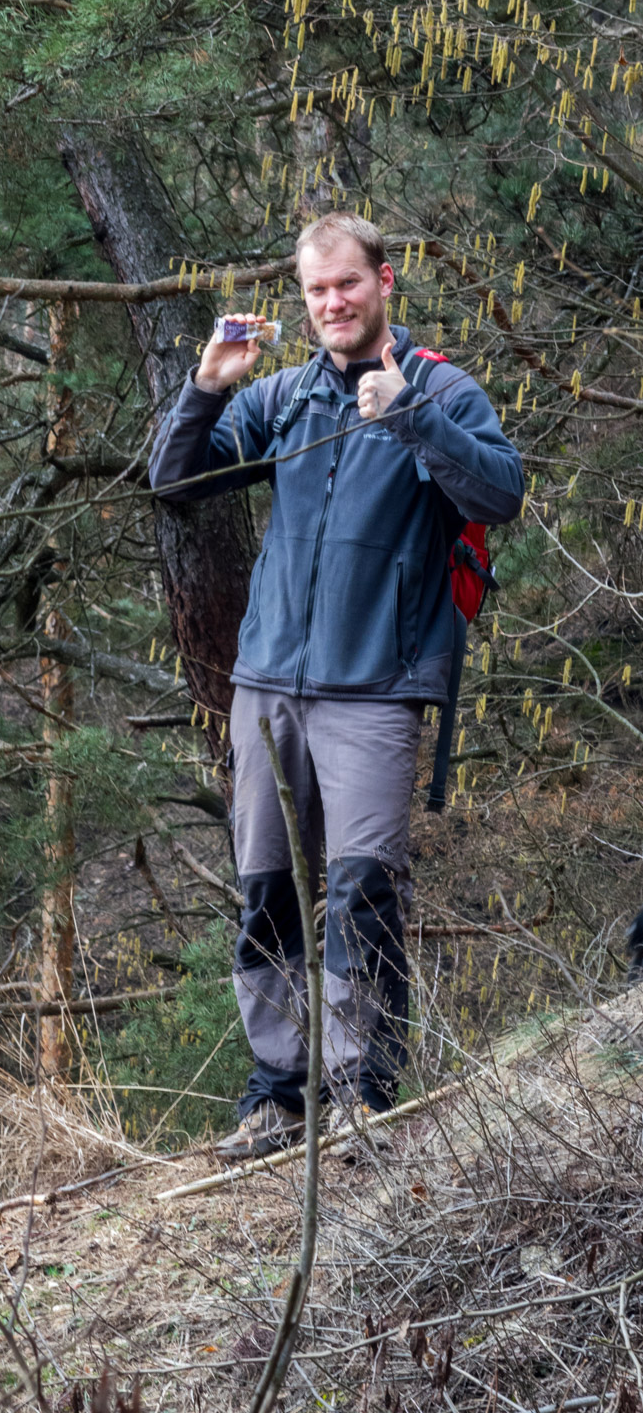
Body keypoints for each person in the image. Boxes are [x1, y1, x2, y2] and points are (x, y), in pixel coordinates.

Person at [149, 211, 525, 1161]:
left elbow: (499, 494)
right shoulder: (278, 398)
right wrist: (203, 388)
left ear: (384, 281)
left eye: (346, 286)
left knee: (362, 892)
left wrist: (406, 414)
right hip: (267, 685)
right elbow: (172, 483)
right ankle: (276, 1097)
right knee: (266, 893)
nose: (331, 305)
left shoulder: (437, 388)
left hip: (375, 690)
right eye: (315, 292)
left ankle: (364, 1097)